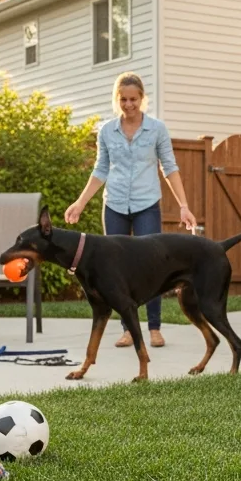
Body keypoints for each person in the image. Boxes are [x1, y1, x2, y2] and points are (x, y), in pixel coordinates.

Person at [64, 72, 196, 349]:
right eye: (123, 99)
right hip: (114, 205)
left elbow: (169, 167)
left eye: (133, 99)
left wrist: (184, 206)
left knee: (154, 265)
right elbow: (100, 170)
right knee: (116, 271)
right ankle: (127, 330)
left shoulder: (157, 129)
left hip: (147, 204)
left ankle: (155, 328)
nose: (128, 104)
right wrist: (80, 202)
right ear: (117, 100)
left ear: (142, 99)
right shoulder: (107, 131)